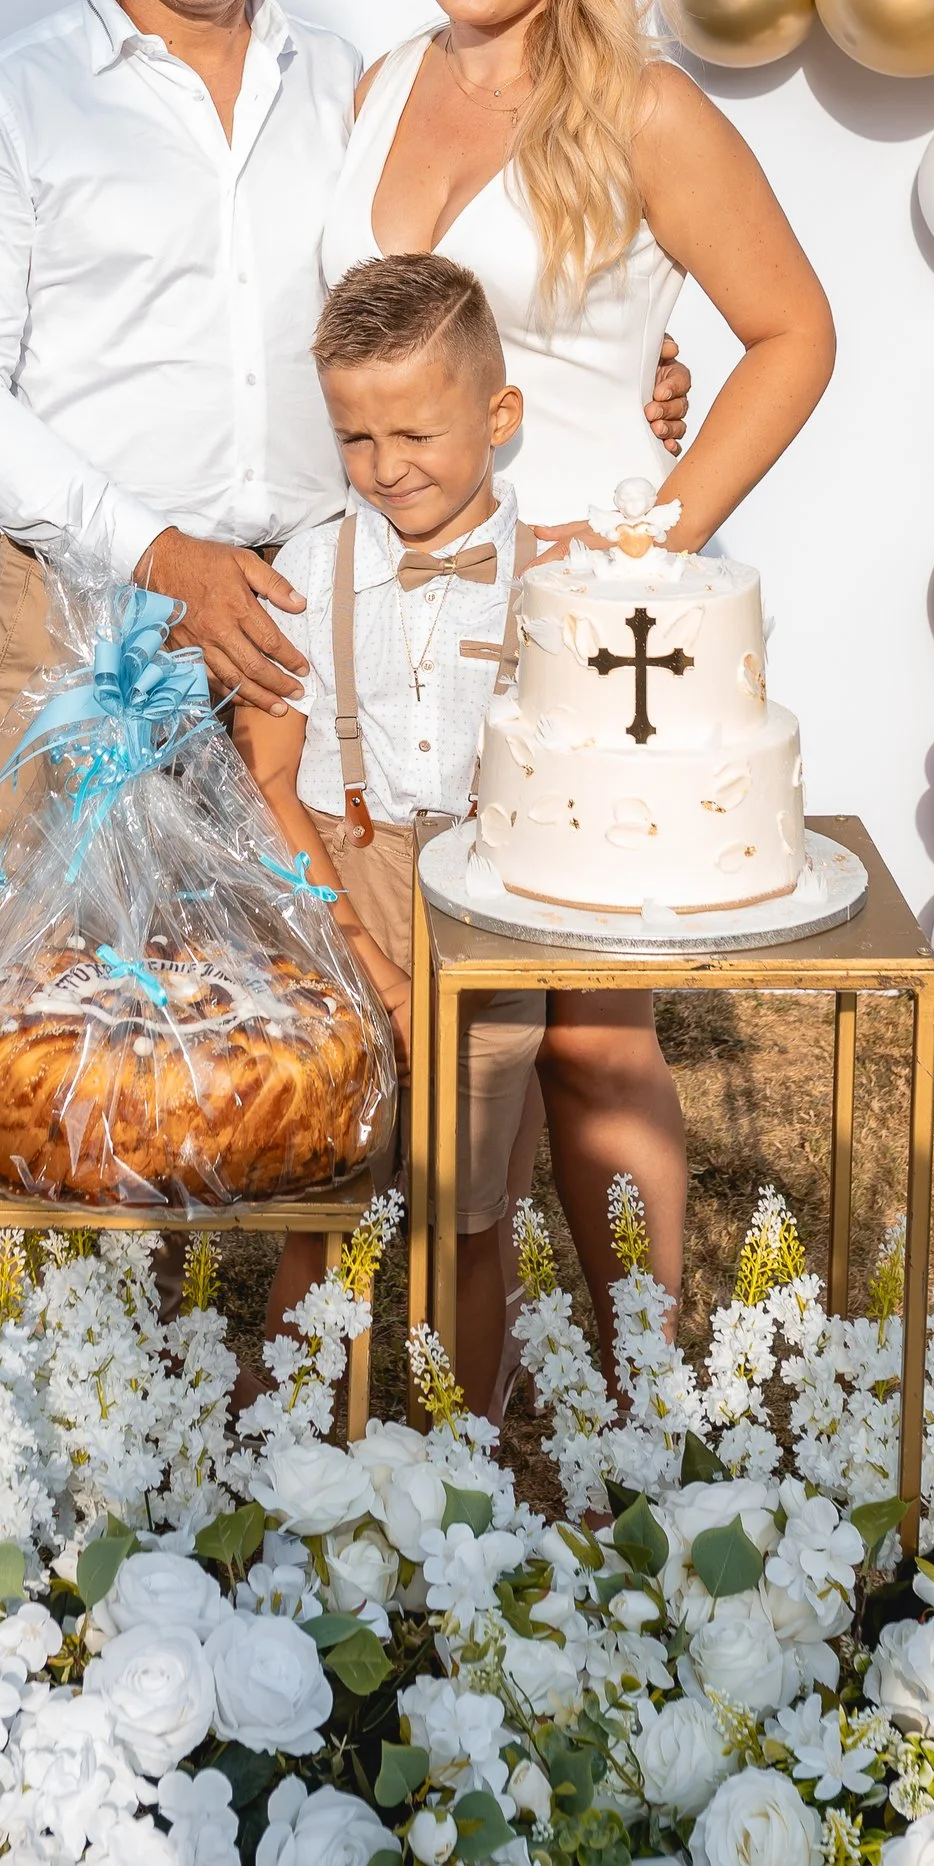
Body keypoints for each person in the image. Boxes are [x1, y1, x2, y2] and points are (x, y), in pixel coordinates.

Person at [0, 0, 694, 819]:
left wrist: (620, 340)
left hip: (325, 604)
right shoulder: (2, 107)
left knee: (314, 975)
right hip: (94, 608)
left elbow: (413, 298)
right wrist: (162, 556)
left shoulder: (348, 87)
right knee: (68, 971)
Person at [322, 0, 836, 1354]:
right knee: (433, 1019)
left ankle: (644, 1400)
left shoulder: (643, 110)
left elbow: (792, 333)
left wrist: (640, 548)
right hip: (397, 618)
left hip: (572, 640)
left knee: (590, 1037)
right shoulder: (376, 85)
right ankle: (458, 1399)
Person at [235, 251, 543, 1411]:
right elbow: (269, 781)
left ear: (498, 416)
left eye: (414, 434)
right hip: (333, 893)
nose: (385, 468)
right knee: (327, 1188)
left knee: (465, 1204)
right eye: (356, 439)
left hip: (491, 908)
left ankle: (460, 1450)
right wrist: (365, 961)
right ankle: (285, 1432)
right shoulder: (309, 568)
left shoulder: (552, 578)